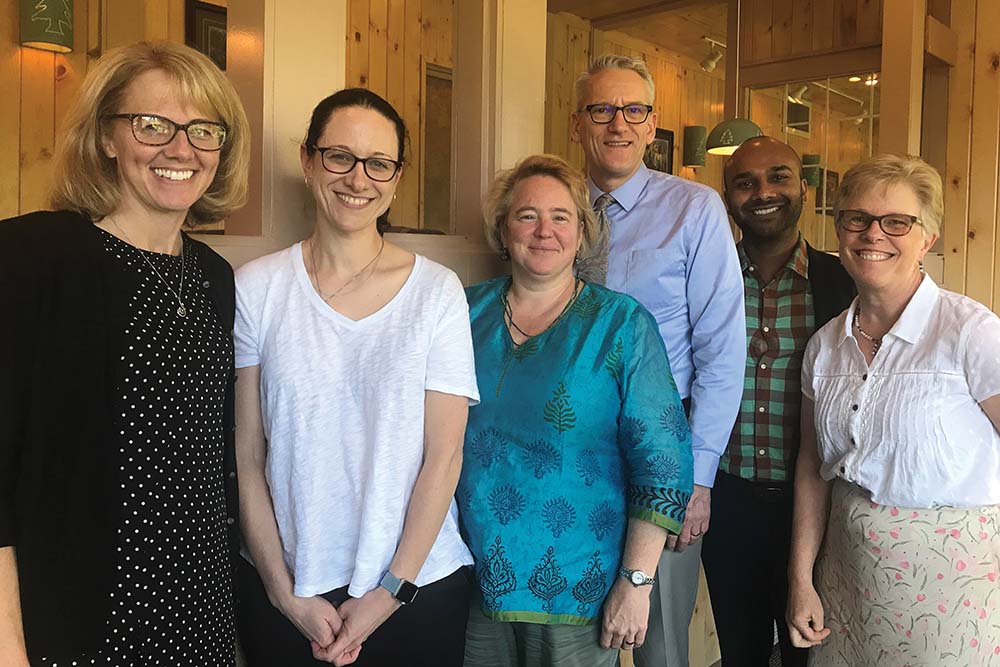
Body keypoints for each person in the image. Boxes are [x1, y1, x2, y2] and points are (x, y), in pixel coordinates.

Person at [0, 41, 250, 667]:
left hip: (199, 609)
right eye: (152, 125)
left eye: (203, 130)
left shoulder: (215, 278)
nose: (181, 149)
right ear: (106, 138)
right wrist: (7, 645)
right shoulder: (33, 256)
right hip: (75, 614)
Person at [234, 88, 479, 667]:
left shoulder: (436, 292)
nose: (357, 178)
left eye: (379, 163)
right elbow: (247, 456)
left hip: (415, 588)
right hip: (286, 590)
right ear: (308, 160)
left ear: (395, 178)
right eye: (339, 156)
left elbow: (444, 457)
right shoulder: (258, 288)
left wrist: (390, 592)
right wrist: (282, 591)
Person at [458, 153, 694, 666]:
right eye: (527, 216)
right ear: (503, 230)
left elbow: (661, 460)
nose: (544, 231)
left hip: (577, 587)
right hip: (467, 577)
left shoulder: (621, 324)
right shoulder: (461, 312)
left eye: (561, 217)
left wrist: (636, 584)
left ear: (582, 233)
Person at [787, 154, 1000, 666]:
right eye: (856, 219)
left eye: (897, 222)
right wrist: (800, 580)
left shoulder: (970, 331)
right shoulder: (825, 346)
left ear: (926, 237)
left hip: (953, 580)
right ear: (839, 231)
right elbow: (813, 472)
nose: (873, 235)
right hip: (846, 573)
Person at [570, 54, 746, 666]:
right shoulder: (555, 209)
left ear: (651, 126)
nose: (618, 123)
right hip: (571, 449)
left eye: (633, 110)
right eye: (602, 109)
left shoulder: (694, 209)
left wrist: (697, 478)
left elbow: (723, 349)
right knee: (573, 622)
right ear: (578, 122)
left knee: (660, 636)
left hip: (662, 451)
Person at [701, 137, 855, 667]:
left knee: (808, 649)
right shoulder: (706, 280)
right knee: (739, 648)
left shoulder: (845, 284)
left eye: (778, 177)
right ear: (728, 198)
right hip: (727, 500)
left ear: (804, 190)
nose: (763, 191)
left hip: (817, 504)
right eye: (745, 182)